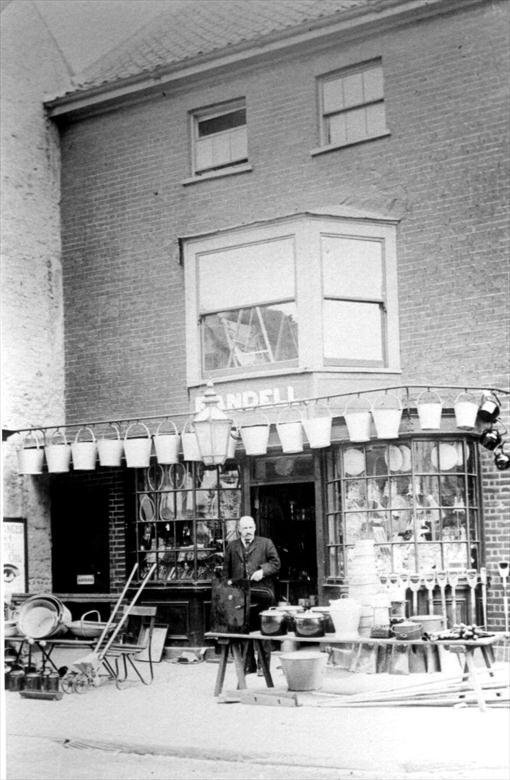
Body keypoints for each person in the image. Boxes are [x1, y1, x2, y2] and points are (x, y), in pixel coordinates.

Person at [223, 515, 280, 674]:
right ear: (239, 530)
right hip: (240, 595)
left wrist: (262, 571)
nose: (248, 531)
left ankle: (263, 666)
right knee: (243, 630)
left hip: (263, 594)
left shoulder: (265, 543)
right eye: (245, 528)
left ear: (254, 528)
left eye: (250, 527)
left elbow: (276, 564)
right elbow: (226, 572)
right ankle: (248, 665)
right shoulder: (232, 547)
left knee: (264, 630)